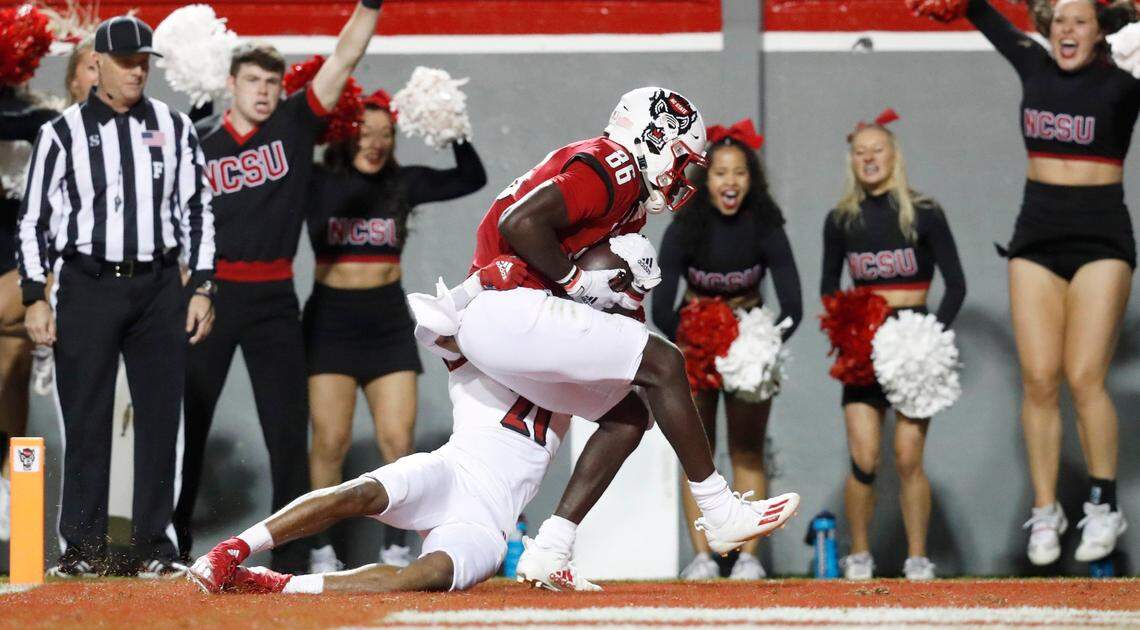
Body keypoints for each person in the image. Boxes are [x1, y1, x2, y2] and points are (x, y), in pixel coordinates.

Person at [447, 86, 800, 591]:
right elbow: (519, 222)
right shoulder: (614, 166)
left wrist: (616, 300)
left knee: (628, 418)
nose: (684, 177)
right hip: (503, 304)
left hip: (509, 316)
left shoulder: (630, 202)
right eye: (682, 160)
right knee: (666, 363)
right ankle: (720, 510)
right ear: (655, 140)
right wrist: (575, 281)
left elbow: (624, 331)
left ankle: (550, 548)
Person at [186, 257, 643, 594]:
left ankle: (280, 584)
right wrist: (479, 287)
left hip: (490, 518)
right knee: (363, 491)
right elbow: (429, 321)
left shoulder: (584, 373)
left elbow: (631, 404)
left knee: (428, 576)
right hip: (451, 472)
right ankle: (232, 550)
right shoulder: (495, 337)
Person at [177, 0, 383, 573]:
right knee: (188, 426)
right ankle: (169, 545)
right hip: (209, 297)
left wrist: (370, 6)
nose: (264, 91)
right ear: (230, 85)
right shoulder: (198, 142)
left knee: (287, 432)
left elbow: (346, 55)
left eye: (272, 81)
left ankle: (288, 555)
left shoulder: (294, 122)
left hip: (272, 299)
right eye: (253, 81)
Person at [18, 15, 216, 577]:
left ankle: (157, 545)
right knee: (86, 416)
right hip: (87, 284)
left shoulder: (175, 127)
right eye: (125, 61)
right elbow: (33, 221)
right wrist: (36, 294)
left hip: (159, 286)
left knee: (161, 417)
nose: (137, 71)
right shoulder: (62, 133)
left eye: (143, 61)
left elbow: (198, 209)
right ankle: (81, 547)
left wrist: (202, 284)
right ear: (96, 64)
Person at [957, 0, 1136, 566]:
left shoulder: (1124, 80)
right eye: (1059, 20)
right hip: (1037, 233)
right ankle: (1045, 511)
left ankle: (1102, 505)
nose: (1067, 30)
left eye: (1080, 21)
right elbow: (982, 15)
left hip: (1101, 235)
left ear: (1100, 30)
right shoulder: (1032, 66)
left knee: (1084, 377)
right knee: (1038, 378)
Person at [304, 89, 486, 569]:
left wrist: (453, 127)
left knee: (396, 441)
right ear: (347, 134)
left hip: (386, 320)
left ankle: (397, 547)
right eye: (366, 131)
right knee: (329, 442)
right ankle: (322, 550)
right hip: (330, 321)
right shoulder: (318, 181)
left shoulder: (402, 182)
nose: (377, 141)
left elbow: (472, 177)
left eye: (386, 133)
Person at [653, 119, 802, 580]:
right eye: (720, 173)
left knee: (747, 451)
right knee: (698, 453)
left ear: (751, 179)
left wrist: (761, 347)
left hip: (748, 347)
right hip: (696, 345)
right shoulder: (684, 226)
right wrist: (694, 340)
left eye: (739, 172)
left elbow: (793, 304)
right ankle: (703, 556)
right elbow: (661, 305)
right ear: (706, 178)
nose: (730, 182)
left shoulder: (767, 225)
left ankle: (749, 558)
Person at [819, 115, 965, 580]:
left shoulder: (924, 211)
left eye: (877, 149)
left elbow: (956, 285)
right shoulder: (841, 219)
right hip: (865, 344)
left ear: (894, 155)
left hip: (913, 343)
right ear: (852, 160)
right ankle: (859, 555)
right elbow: (828, 288)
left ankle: (917, 557)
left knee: (908, 458)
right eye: (860, 151)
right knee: (864, 457)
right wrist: (849, 333)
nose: (868, 158)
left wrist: (931, 338)